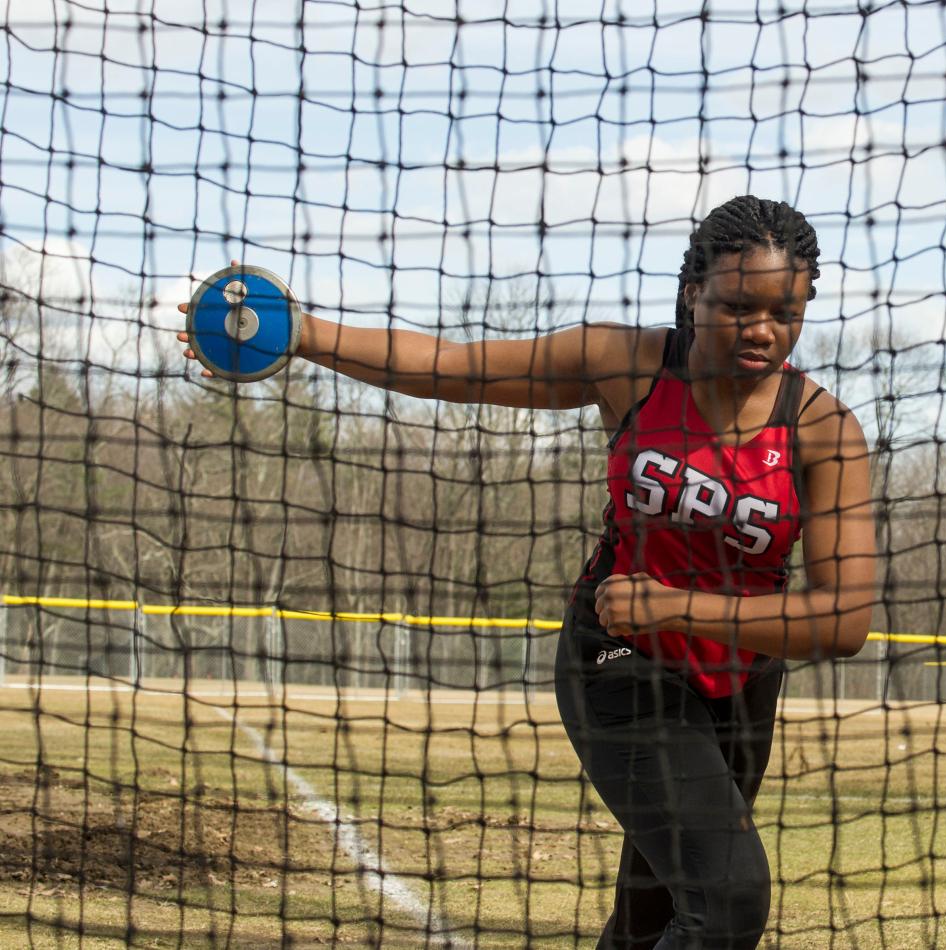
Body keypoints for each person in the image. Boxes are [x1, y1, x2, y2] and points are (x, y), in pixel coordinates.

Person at [177, 195, 877, 949]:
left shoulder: (823, 430)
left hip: (738, 688)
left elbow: (842, 623)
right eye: (738, 305)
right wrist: (303, 335)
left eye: (787, 312)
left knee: (655, 919)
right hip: (618, 660)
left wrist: (676, 607)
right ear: (691, 293)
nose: (763, 331)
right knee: (730, 900)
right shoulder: (627, 365)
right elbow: (452, 369)